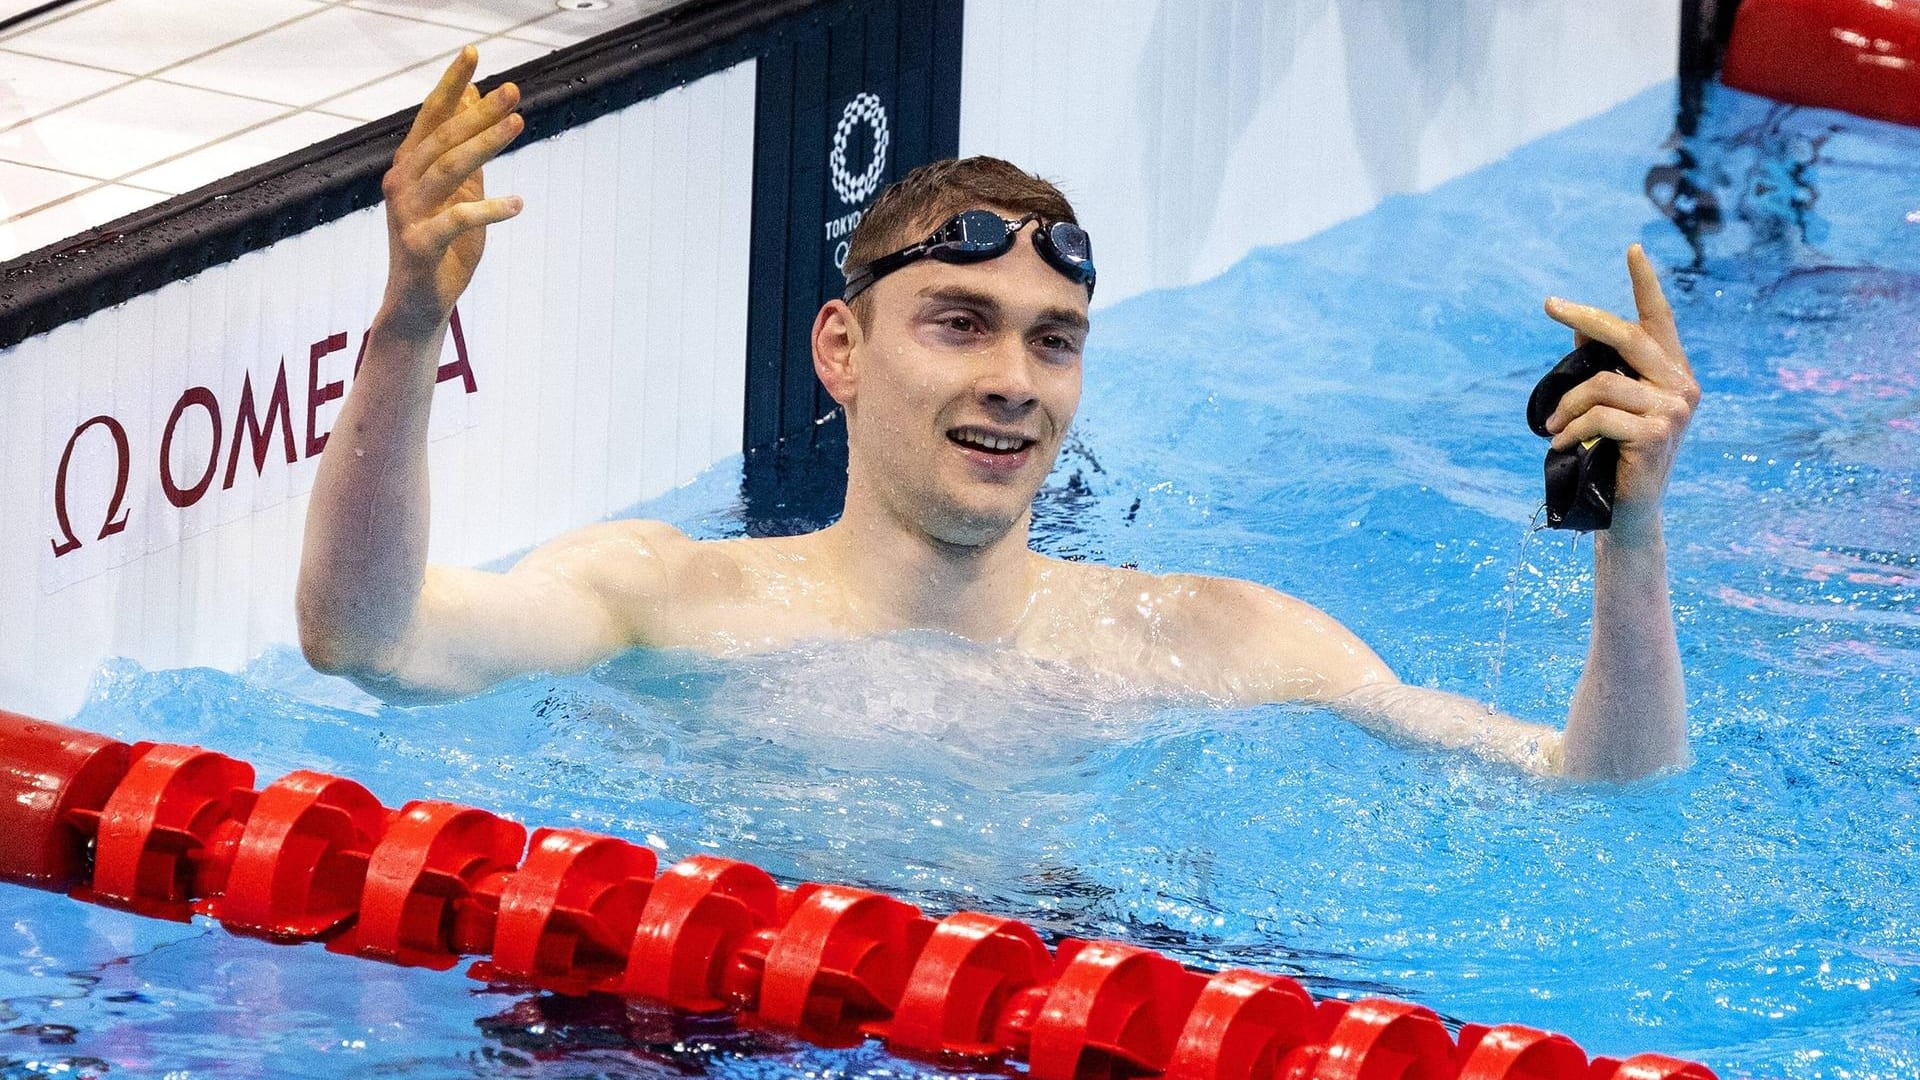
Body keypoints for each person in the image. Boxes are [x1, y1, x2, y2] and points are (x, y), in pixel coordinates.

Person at [297, 49, 1701, 781]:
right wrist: (414, 323)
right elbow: (370, 642)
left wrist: (1631, 545)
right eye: (959, 326)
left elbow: (1593, 788)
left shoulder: (1211, 639)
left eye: (1054, 342)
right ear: (840, 351)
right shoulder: (664, 598)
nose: (1014, 381)